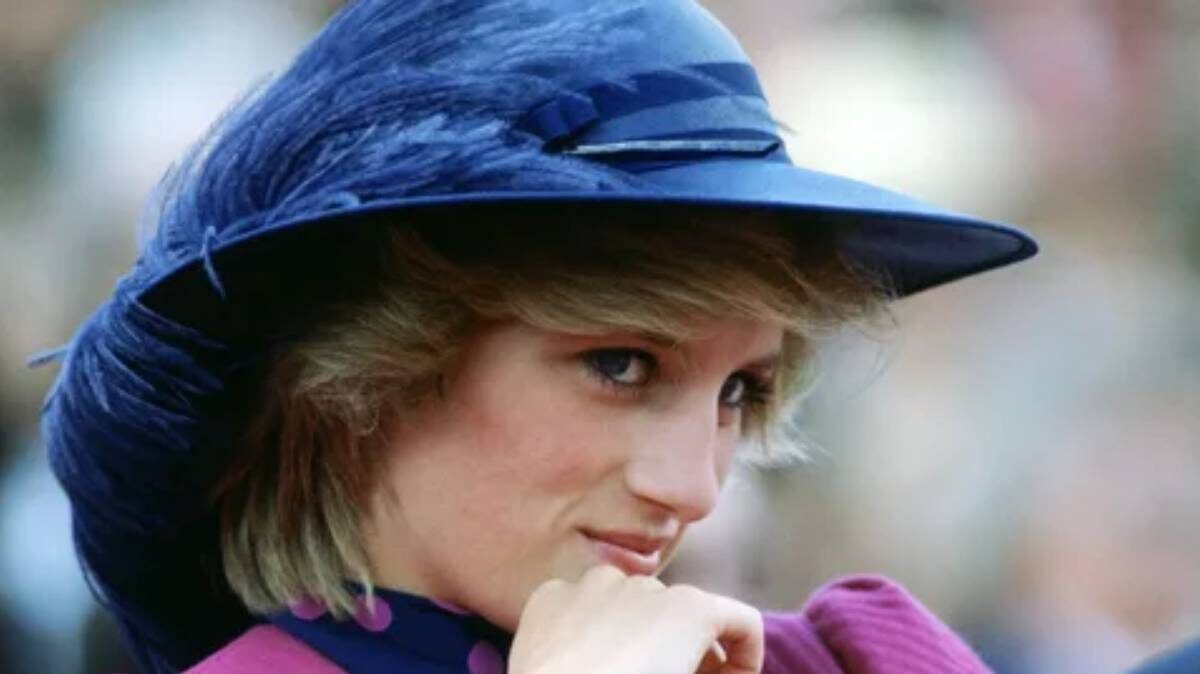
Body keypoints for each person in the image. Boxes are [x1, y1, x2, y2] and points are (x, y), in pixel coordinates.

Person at [37, 1, 1036, 673]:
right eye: (622, 365)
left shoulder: (843, 660)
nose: (696, 490)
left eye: (739, 390)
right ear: (365, 371)